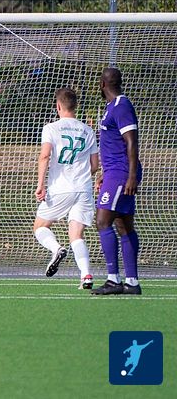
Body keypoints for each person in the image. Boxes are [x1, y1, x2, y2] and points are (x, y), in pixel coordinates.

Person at [31, 87, 99, 289]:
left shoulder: (51, 128)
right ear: (75, 106)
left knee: (40, 227)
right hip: (83, 189)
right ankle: (86, 276)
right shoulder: (88, 130)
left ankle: (56, 249)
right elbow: (95, 165)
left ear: (58, 106)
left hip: (60, 188)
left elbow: (45, 156)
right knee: (76, 235)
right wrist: (82, 176)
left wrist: (40, 185)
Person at [91, 67, 143, 295]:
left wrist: (130, 176)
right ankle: (132, 282)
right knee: (123, 225)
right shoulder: (111, 107)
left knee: (102, 221)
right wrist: (105, 172)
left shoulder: (121, 106)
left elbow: (131, 141)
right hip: (115, 172)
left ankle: (113, 279)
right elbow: (114, 144)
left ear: (102, 84)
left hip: (122, 173)